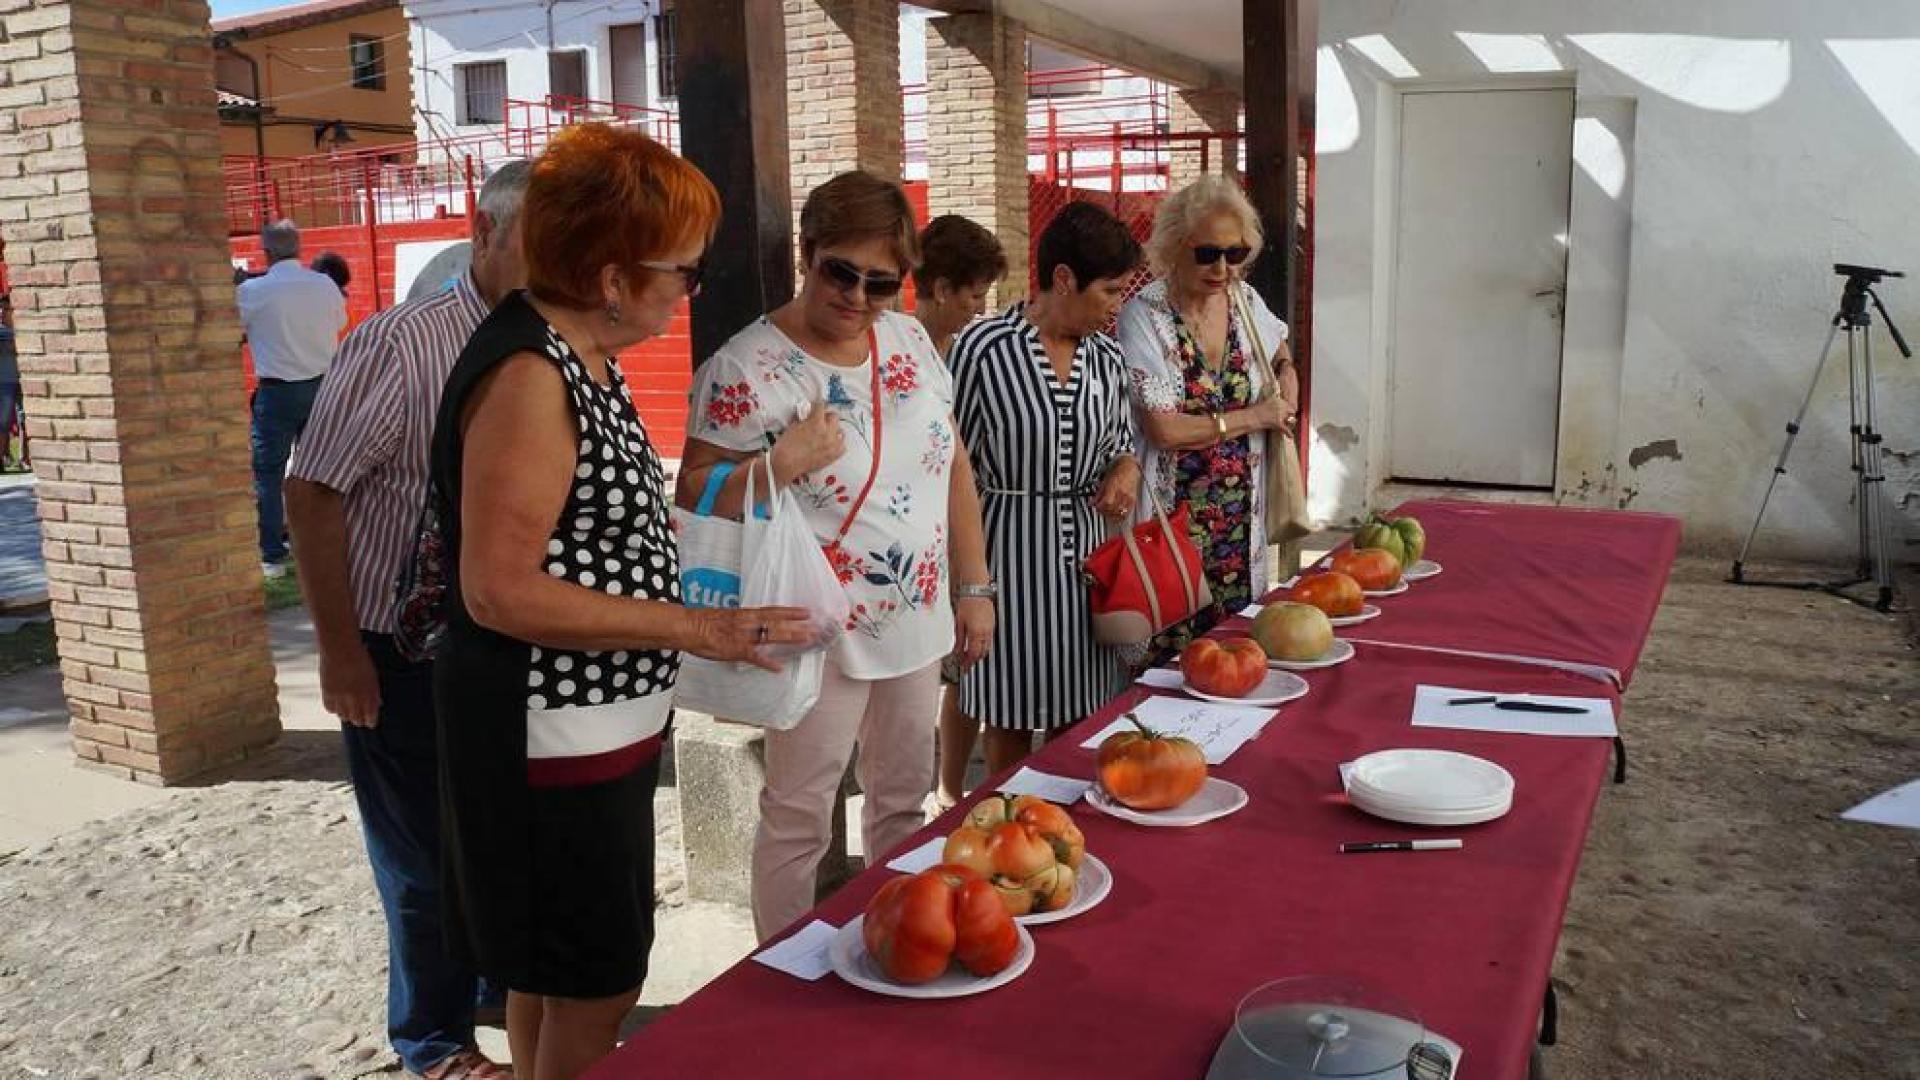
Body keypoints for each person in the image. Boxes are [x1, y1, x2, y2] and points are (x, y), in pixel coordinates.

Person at [430, 124, 813, 1080]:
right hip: (548, 732)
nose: (690, 288)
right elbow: (498, 588)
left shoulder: (579, 356)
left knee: (550, 970)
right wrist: (700, 627)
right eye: (680, 270)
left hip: (588, 723)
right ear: (612, 276)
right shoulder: (530, 374)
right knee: (595, 975)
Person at [679, 171, 994, 940]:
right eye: (839, 272)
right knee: (798, 811)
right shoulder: (745, 367)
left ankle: (904, 937)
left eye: (881, 282)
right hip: (813, 626)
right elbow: (694, 493)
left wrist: (976, 583)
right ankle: (780, 980)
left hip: (915, 618)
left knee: (903, 798)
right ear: (809, 252)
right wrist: (780, 463)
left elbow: (951, 461)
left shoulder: (912, 338)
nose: (857, 296)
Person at [284, 162, 531, 1080]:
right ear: (485, 232)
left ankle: (483, 981)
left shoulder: (554, 344)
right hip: (399, 648)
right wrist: (340, 650)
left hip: (502, 644)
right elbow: (310, 491)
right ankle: (431, 1040)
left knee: (491, 837)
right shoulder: (403, 343)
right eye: (537, 238)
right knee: (423, 860)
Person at [949, 202, 1142, 780]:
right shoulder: (981, 350)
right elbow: (949, 464)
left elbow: (1122, 440)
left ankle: (1063, 822)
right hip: (1005, 554)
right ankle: (1008, 821)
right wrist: (965, 582)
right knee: (1006, 714)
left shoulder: (1107, 356)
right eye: (1109, 291)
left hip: (1089, 558)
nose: (1116, 305)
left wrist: (1125, 468)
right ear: (1063, 278)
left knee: (1081, 712)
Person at [1117, 175, 1298, 654]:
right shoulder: (1144, 315)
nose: (1222, 267)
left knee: (1238, 652)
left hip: (1242, 522)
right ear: (1174, 247)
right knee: (1169, 658)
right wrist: (1257, 415)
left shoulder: (1244, 301)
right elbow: (1165, 428)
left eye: (1235, 254)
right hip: (1172, 523)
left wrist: (1287, 374)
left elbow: (1280, 352)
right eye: (1207, 253)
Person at [910, 215, 1009, 808]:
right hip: (928, 534)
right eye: (974, 295)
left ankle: (949, 788)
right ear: (942, 289)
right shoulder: (911, 347)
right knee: (955, 669)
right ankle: (946, 788)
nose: (979, 308)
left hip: (963, 523)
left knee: (965, 664)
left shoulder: (958, 345)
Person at [237, 219, 347, 578]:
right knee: (322, 469)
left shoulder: (253, 292)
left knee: (268, 473)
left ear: (265, 252)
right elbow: (339, 322)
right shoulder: (324, 285)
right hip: (323, 385)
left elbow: (235, 330)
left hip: (278, 390)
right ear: (299, 248)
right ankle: (325, 542)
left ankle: (272, 553)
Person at [911, 214, 1007, 359]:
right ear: (942, 290)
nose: (982, 310)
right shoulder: (895, 354)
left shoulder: (970, 354)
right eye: (976, 296)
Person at [0, 294, 21, 472]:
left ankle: (25, 458)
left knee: (24, 422)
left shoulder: (19, 330)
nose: (2, 312)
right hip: (4, 382)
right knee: (2, 423)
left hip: (22, 381)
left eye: (6, 309)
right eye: (0, 309)